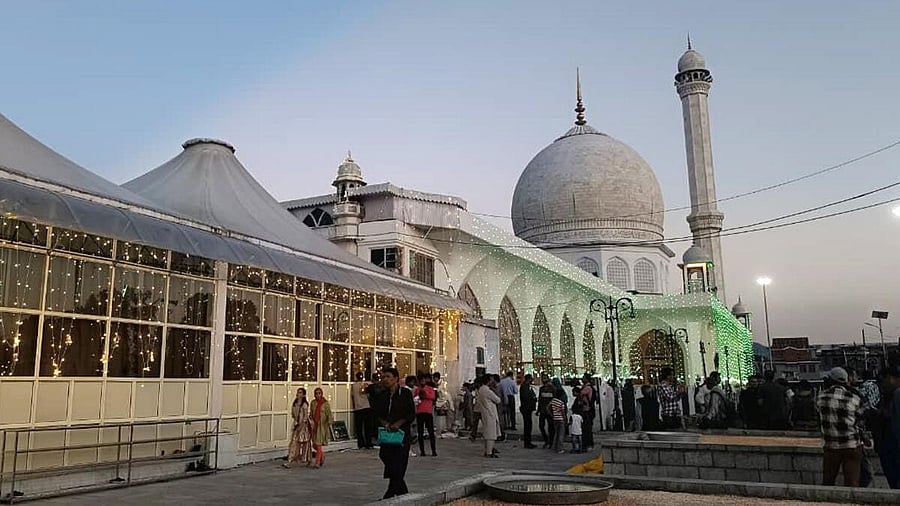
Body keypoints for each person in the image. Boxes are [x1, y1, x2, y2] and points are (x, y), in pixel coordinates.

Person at [816, 367, 863, 487]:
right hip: (851, 445)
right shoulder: (854, 398)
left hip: (830, 446)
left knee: (828, 481)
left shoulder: (820, 397)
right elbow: (859, 420)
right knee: (852, 483)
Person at [376, 367, 416, 499]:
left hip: (401, 434)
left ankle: (389, 495)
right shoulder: (382, 395)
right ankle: (403, 495)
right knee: (387, 458)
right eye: (383, 377)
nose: (385, 379)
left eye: (388, 376)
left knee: (399, 464)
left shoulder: (405, 393)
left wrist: (399, 423)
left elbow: (410, 413)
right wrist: (384, 423)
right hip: (387, 434)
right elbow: (377, 413)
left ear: (396, 378)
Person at [873, 358, 900, 489]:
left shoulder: (896, 394)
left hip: (892, 447)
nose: (882, 384)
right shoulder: (889, 395)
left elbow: (893, 421)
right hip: (888, 447)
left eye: (884, 380)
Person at [284, 387, 313, 468]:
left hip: (304, 427)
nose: (298, 394)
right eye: (298, 392)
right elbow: (293, 415)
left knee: (305, 444)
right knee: (294, 443)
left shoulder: (304, 404)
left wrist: (302, 426)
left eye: (300, 392)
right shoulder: (295, 403)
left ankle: (307, 459)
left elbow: (305, 416)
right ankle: (291, 460)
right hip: (297, 425)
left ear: (303, 395)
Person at [476, 374, 502, 458]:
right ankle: (489, 452)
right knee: (491, 433)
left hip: (485, 412)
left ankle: (488, 450)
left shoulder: (481, 389)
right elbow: (498, 400)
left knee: (488, 432)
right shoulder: (487, 390)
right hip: (490, 412)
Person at [413, 373, 437, 457]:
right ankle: (422, 451)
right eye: (421, 380)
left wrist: (425, 394)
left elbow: (433, 397)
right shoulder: (417, 390)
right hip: (420, 412)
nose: (422, 382)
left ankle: (433, 450)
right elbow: (415, 400)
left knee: (431, 432)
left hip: (428, 412)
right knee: (420, 432)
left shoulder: (430, 389)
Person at [310, 387, 333, 468]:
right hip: (315, 426)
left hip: (322, 426)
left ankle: (317, 462)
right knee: (314, 445)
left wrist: (329, 422)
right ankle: (322, 456)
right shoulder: (313, 403)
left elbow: (329, 414)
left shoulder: (325, 403)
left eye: (319, 393)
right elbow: (311, 414)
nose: (317, 395)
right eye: (316, 393)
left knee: (319, 444)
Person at [352, 372, 373, 449]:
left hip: (358, 408)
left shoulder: (354, 386)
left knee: (359, 427)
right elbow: (367, 394)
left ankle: (361, 444)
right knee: (367, 427)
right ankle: (368, 443)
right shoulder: (365, 384)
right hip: (366, 407)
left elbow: (353, 395)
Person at [519, 374, 537, 449]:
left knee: (529, 425)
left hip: (528, 408)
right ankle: (527, 443)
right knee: (527, 426)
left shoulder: (527, 387)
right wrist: (533, 398)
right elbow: (526, 397)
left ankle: (528, 442)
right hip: (526, 408)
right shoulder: (524, 387)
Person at [538, 375, 555, 448]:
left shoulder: (553, 388)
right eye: (543, 378)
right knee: (541, 426)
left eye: (545, 378)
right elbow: (540, 400)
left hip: (550, 411)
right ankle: (546, 440)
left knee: (551, 427)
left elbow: (554, 399)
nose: (544, 380)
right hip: (542, 410)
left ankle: (551, 442)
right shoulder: (541, 389)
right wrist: (538, 410)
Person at [550, 388, 568, 453]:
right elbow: (563, 412)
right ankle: (560, 448)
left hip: (555, 418)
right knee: (561, 434)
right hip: (561, 419)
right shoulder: (561, 403)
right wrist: (565, 419)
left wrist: (552, 414)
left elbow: (547, 407)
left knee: (556, 433)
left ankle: (554, 447)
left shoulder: (553, 400)